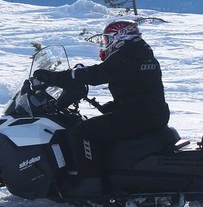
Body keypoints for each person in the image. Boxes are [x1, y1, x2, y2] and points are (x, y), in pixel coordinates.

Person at [32, 19, 170, 177]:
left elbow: (95, 74)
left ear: (120, 37)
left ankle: (89, 181)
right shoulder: (144, 56)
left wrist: (54, 77)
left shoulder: (126, 56)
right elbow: (142, 89)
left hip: (135, 118)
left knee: (84, 131)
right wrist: (113, 105)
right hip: (154, 115)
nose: (106, 44)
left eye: (107, 39)